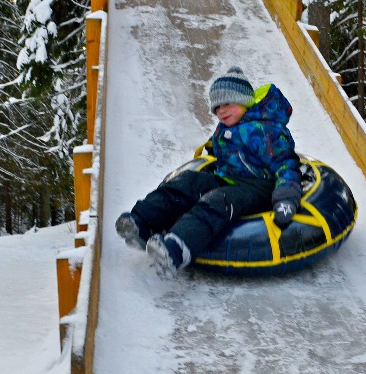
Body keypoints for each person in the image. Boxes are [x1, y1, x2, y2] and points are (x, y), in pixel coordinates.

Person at [115, 67, 302, 278]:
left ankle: (176, 250)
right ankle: (141, 222)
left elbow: (286, 164)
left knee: (216, 201)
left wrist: (286, 198)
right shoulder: (225, 128)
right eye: (217, 107)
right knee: (188, 181)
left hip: (258, 188)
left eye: (228, 103)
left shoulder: (266, 130)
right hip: (227, 179)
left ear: (244, 101)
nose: (221, 110)